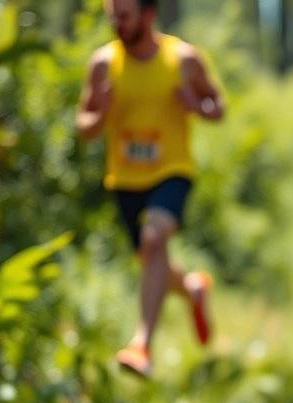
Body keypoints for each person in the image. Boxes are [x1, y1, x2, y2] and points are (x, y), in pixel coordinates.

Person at [76, 0, 226, 378]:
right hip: (125, 178)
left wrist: (198, 106)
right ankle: (191, 289)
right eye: (113, 17)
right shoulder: (103, 64)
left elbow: (219, 106)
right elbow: (84, 128)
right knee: (150, 256)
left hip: (172, 170)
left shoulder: (184, 59)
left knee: (154, 238)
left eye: (124, 17)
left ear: (148, 14)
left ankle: (142, 343)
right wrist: (101, 113)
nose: (117, 25)